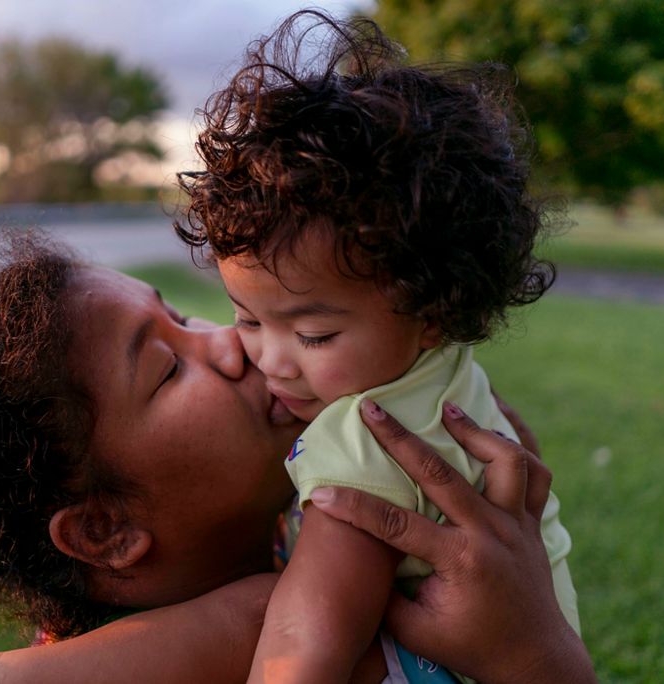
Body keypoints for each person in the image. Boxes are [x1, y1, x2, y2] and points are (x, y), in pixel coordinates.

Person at [0, 236, 592, 684]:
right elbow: (259, 623)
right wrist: (537, 653)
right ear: (106, 530)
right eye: (169, 367)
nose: (233, 343)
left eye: (178, 312)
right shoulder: (249, 625)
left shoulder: (302, 522)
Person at [174, 10, 579, 683]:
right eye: (247, 319)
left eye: (313, 334)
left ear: (433, 312)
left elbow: (304, 640)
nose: (272, 360)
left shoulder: (365, 432)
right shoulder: (439, 375)